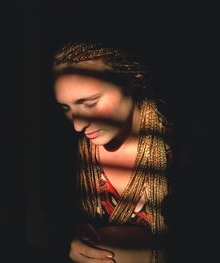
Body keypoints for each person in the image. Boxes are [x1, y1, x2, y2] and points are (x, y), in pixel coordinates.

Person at [51, 42, 176, 263]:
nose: (77, 126)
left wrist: (152, 256)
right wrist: (75, 245)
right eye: (66, 108)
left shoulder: (185, 149)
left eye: (90, 103)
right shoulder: (69, 153)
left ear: (133, 80)